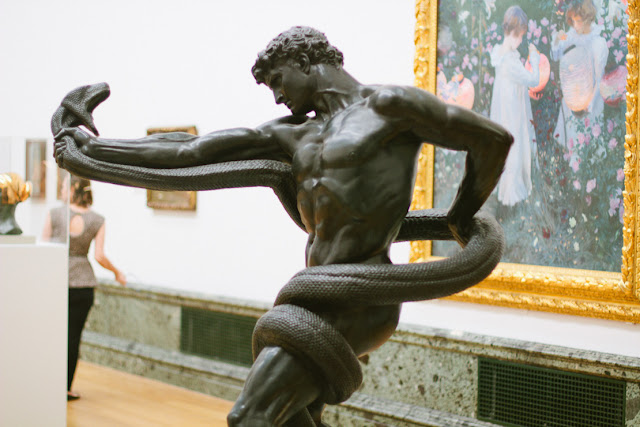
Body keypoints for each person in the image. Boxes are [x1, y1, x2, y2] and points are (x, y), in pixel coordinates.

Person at [54, 27, 512, 425]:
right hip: (313, 295)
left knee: (250, 417)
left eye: (278, 80)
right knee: (289, 417)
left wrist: (459, 216)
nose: (277, 96)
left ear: (305, 61)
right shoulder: (293, 135)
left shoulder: (390, 106)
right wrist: (91, 149)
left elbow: (492, 140)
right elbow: (189, 151)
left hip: (361, 296)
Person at [42, 174, 126, 401]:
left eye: (63, 187)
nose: (61, 191)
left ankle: (46, 383)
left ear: (74, 189)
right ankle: (66, 388)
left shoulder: (55, 214)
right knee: (73, 337)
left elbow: (44, 248)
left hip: (56, 281)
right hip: (83, 285)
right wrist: (117, 272)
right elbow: (99, 255)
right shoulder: (97, 220)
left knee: (51, 334)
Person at [490, 5, 540, 206]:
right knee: (514, 148)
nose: (521, 41)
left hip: (506, 107)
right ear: (513, 33)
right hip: (511, 111)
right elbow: (533, 80)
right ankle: (511, 195)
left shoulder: (501, 53)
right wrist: (535, 59)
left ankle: (508, 191)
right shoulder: (510, 62)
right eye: (520, 36)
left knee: (509, 148)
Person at [551, 0, 608, 149]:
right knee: (572, 140)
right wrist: (557, 39)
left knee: (589, 142)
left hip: (591, 96)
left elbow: (599, 79)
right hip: (574, 94)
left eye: (578, 21)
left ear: (588, 19)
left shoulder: (597, 42)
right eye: (573, 21)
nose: (575, 25)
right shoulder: (572, 35)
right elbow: (556, 55)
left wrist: (590, 104)